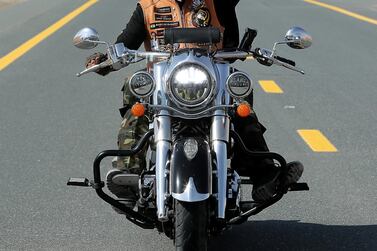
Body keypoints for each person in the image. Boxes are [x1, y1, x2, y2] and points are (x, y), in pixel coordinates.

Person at [86, 0, 303, 203]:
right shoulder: (148, 6)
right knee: (137, 96)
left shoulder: (216, 2)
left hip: (211, 80)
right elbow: (124, 45)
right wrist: (103, 61)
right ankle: (128, 173)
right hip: (163, 84)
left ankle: (262, 172)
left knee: (239, 101)